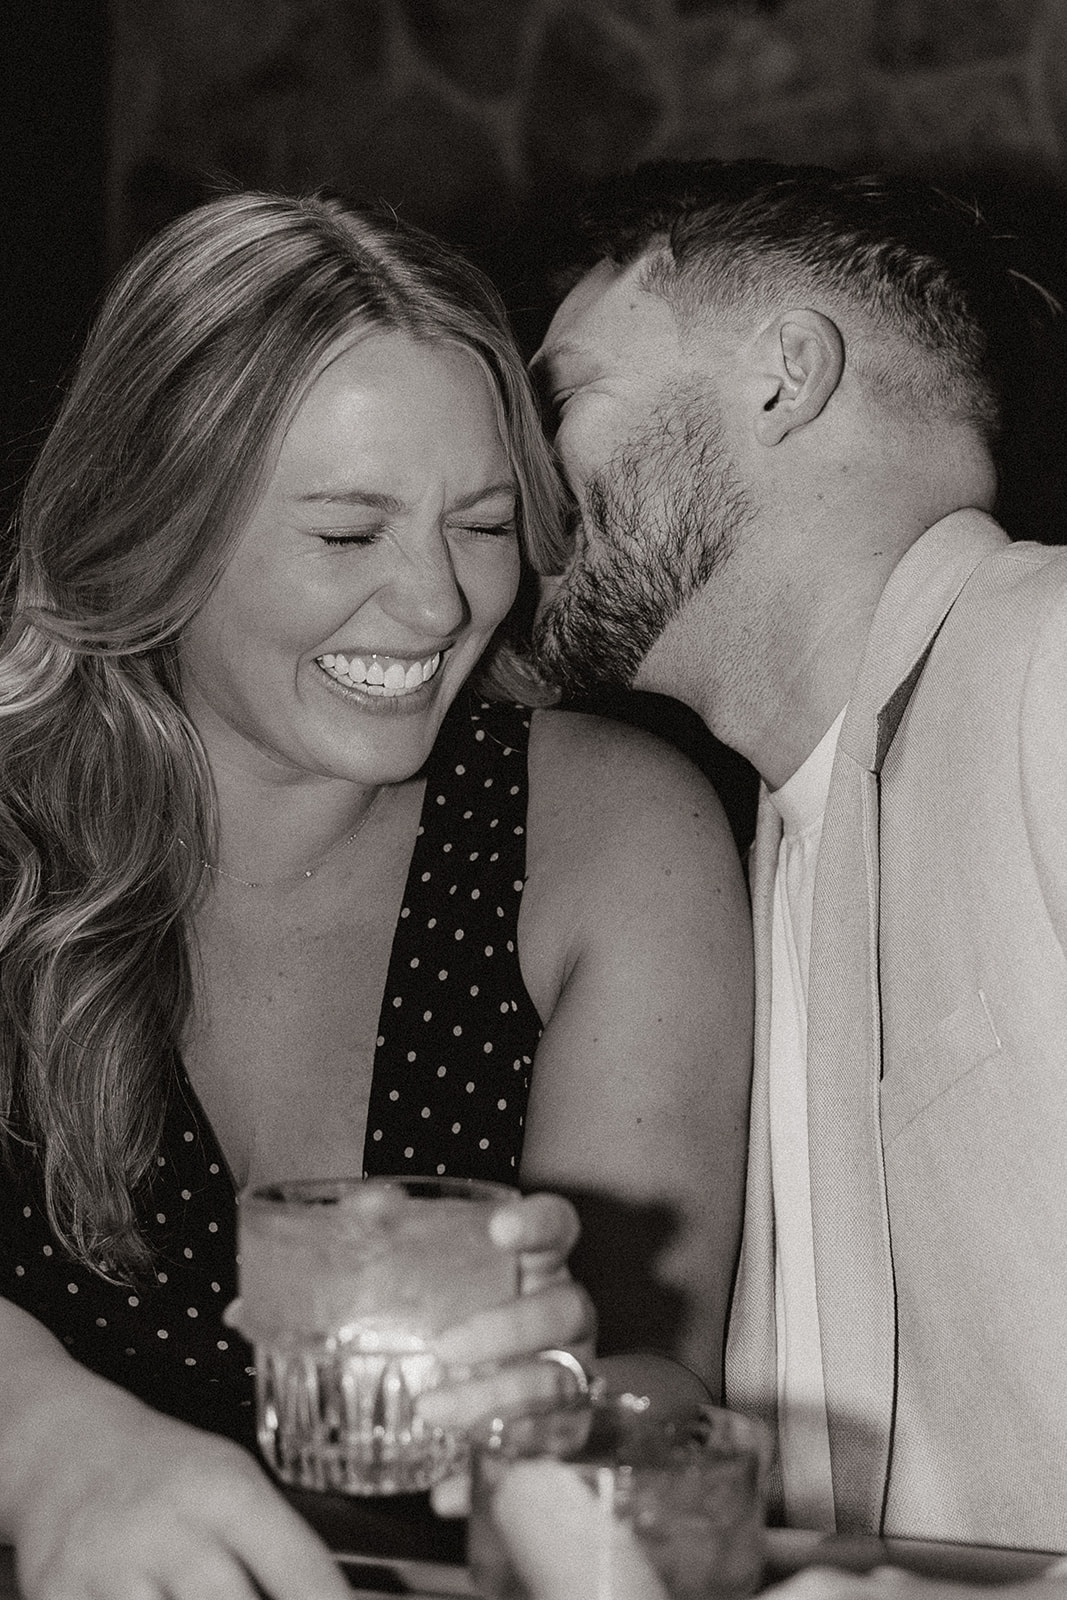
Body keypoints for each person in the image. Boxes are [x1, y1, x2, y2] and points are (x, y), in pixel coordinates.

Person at [0, 191, 754, 1600]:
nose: (434, 606)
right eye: (349, 535)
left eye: (478, 525)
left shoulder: (609, 834)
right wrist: (43, 1438)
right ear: (150, 532)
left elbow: (667, 1389)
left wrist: (564, 1391)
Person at [530, 156, 1067, 1585]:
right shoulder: (759, 847)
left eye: (570, 396)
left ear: (785, 376)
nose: (526, 484)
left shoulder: (1054, 663)